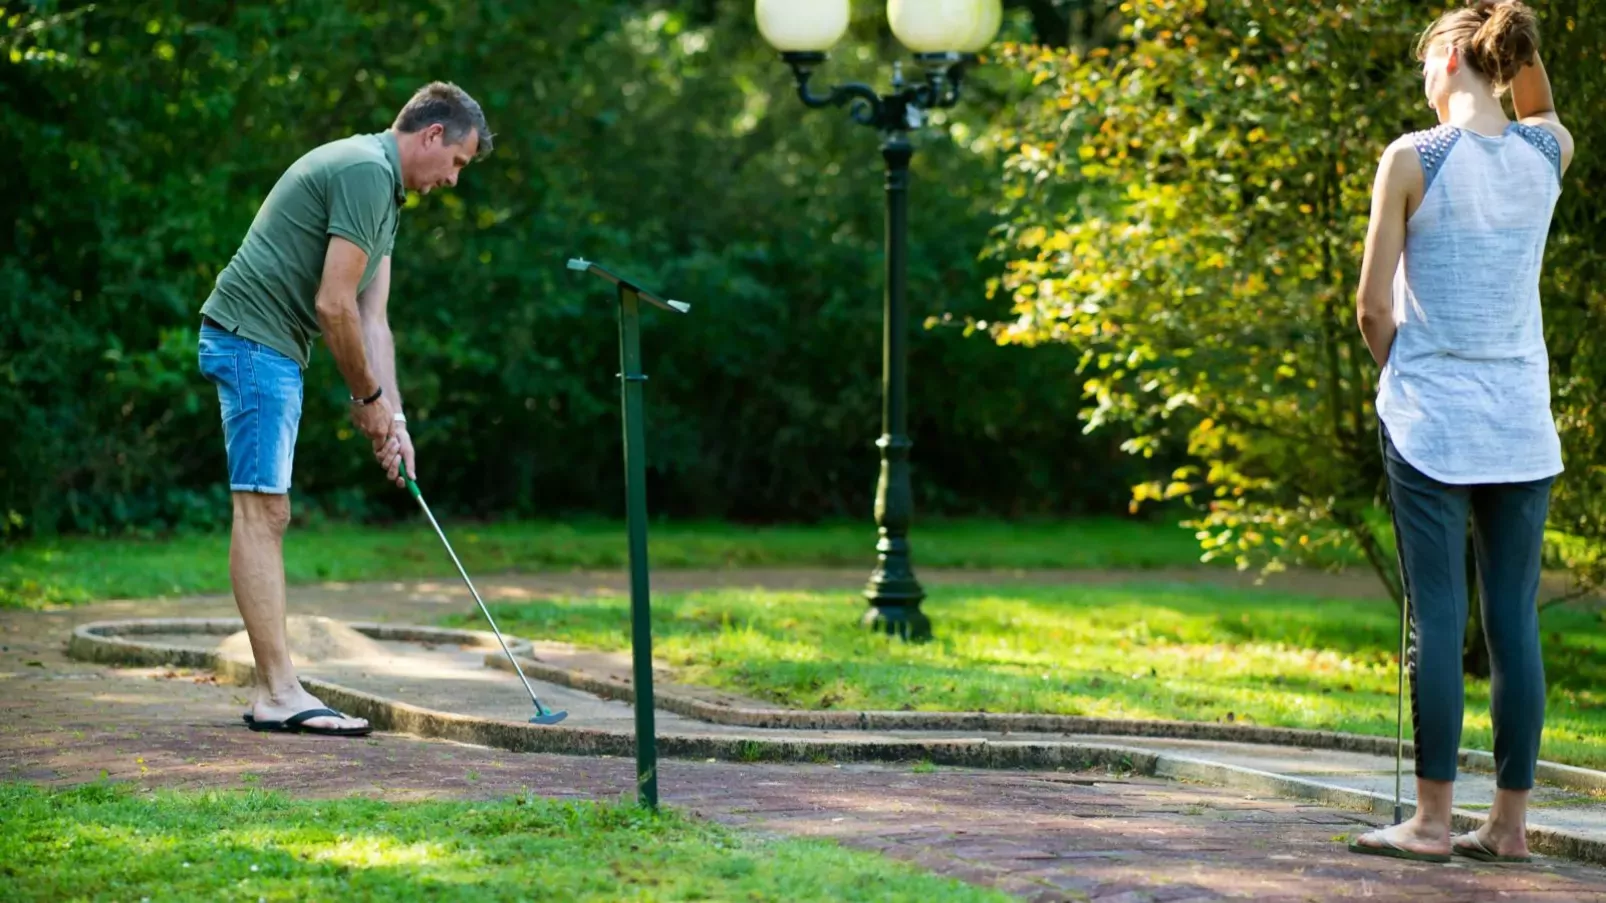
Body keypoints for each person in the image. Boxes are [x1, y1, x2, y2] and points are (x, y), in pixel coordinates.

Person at [196, 82, 492, 737]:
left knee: (266, 507)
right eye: (458, 162)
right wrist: (366, 400)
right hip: (250, 339)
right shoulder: (363, 170)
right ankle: (277, 692)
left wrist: (398, 421)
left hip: (271, 345)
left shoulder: (386, 195)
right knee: (262, 507)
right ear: (432, 134)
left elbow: (371, 318)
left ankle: (278, 688)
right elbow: (332, 305)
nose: (452, 177)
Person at [1350, 0, 1574, 863]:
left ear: (1447, 62)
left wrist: (1402, 374)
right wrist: (1512, 40)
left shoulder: (1412, 156)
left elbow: (1373, 305)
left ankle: (1434, 822)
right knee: (1514, 620)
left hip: (1431, 420)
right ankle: (1509, 826)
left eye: (1424, 62)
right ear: (1507, 61)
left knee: (1438, 618)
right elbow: (1541, 105)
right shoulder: (1545, 153)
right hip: (1521, 419)